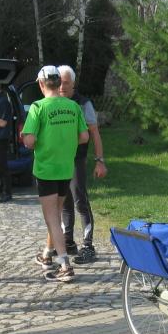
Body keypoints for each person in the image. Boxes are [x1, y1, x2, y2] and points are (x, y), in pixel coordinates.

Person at [23, 65, 89, 283]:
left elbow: (29, 141)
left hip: (46, 169)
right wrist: (64, 141)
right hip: (66, 168)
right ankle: (46, 255)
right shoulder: (73, 106)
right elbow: (84, 137)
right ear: (59, 83)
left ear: (42, 84)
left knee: (52, 217)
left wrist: (32, 138)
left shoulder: (38, 107)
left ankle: (64, 265)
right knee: (56, 213)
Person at [58, 65, 107, 264]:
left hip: (77, 159)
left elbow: (94, 133)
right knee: (64, 202)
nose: (62, 86)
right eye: (59, 82)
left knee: (80, 200)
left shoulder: (83, 103)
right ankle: (68, 242)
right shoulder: (54, 102)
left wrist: (99, 161)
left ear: (73, 84)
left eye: (66, 83)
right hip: (59, 160)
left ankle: (88, 246)